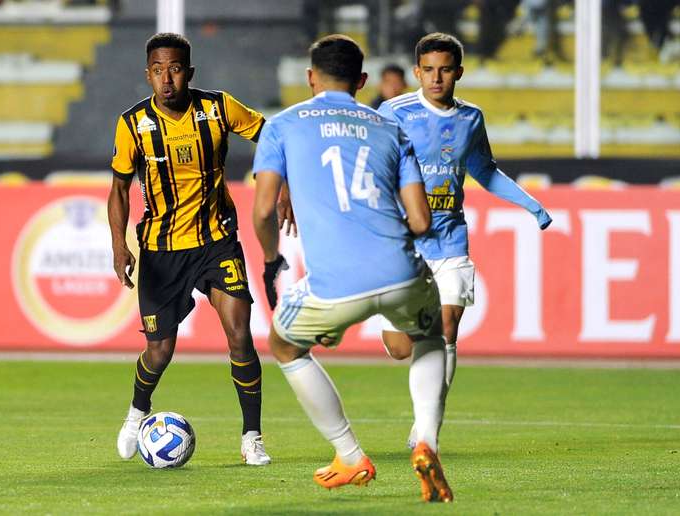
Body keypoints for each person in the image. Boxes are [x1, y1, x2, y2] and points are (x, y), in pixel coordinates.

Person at [252, 34, 453, 503]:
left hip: (333, 286)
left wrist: (270, 257)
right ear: (362, 81)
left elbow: (264, 211)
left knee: (284, 344)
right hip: (403, 270)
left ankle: (349, 454)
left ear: (310, 78)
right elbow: (421, 220)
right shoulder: (390, 128)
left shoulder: (284, 125)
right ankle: (427, 439)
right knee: (427, 336)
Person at [377, 33, 552, 446]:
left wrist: (531, 205)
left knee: (447, 328)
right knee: (401, 347)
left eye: (445, 70)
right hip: (404, 243)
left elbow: (485, 171)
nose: (437, 78)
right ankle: (425, 408)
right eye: (429, 70)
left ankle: (427, 427)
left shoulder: (471, 118)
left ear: (459, 72)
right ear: (417, 72)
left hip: (450, 240)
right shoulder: (393, 112)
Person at [108, 32, 271, 466]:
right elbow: (119, 189)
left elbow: (271, 138)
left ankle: (251, 436)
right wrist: (119, 246)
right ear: (148, 74)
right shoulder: (133, 124)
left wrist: (278, 180)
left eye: (175, 69)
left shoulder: (217, 108)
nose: (167, 79)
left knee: (240, 336)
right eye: (158, 70)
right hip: (161, 252)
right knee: (159, 351)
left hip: (216, 243)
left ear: (189, 72)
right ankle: (136, 411)